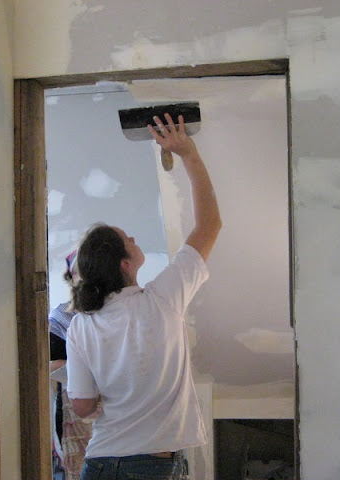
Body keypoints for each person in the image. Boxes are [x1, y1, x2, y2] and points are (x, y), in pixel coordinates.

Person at [66, 113, 222, 480]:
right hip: (150, 465)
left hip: (99, 462)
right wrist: (189, 154)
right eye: (128, 239)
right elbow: (209, 226)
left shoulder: (80, 325)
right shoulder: (163, 298)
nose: (135, 239)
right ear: (124, 263)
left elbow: (83, 406)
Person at [49, 251, 97, 480]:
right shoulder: (59, 320)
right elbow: (46, 367)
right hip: (74, 412)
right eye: (80, 272)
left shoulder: (116, 314)